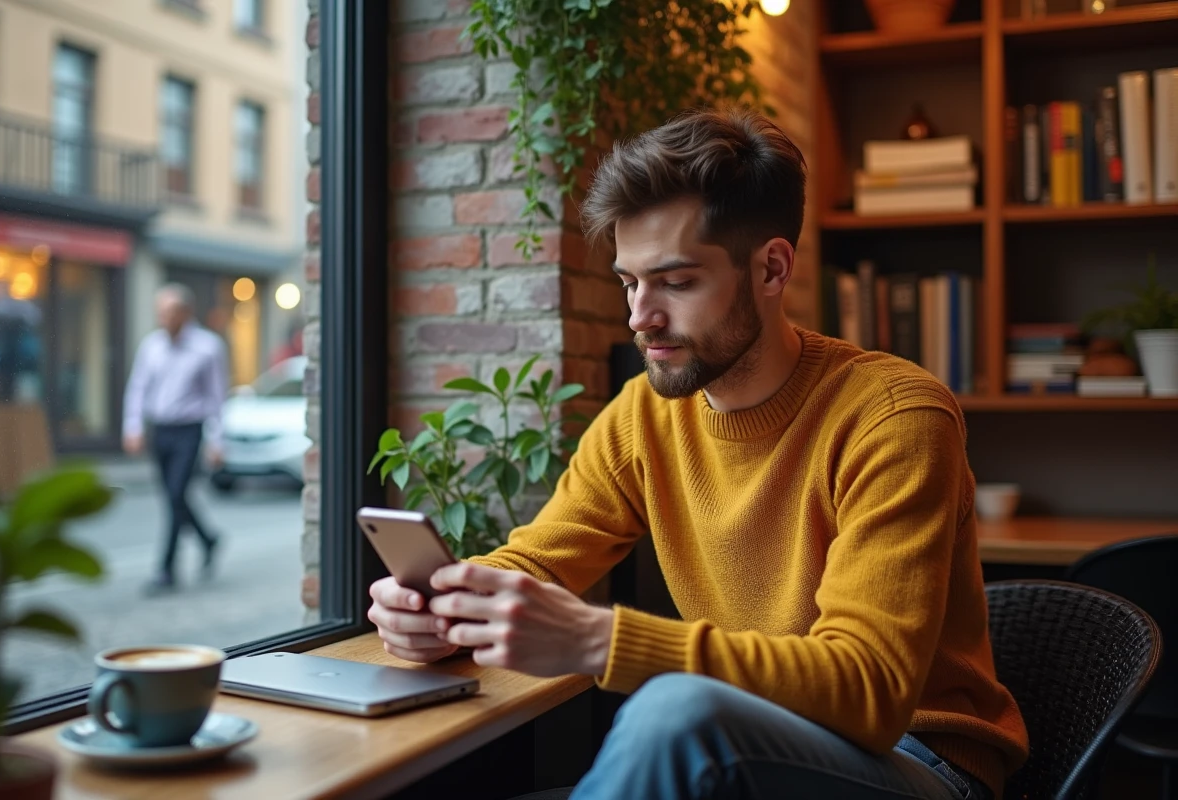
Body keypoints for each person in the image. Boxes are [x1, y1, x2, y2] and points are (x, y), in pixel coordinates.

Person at [368, 108, 1030, 800]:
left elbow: (868, 690)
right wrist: (444, 608)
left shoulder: (893, 415)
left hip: (918, 763)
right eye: (629, 281)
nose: (639, 316)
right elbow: (538, 560)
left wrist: (599, 641)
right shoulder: (644, 415)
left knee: (676, 713)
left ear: (771, 268)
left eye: (676, 283)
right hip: (741, 755)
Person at [123, 283, 227, 595]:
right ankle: (209, 539)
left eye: (169, 312)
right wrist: (133, 427)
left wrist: (217, 441)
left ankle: (166, 569)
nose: (163, 319)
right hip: (161, 431)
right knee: (173, 496)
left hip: (189, 430)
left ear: (186, 312)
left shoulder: (208, 347)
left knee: (175, 495)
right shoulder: (151, 346)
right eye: (160, 313)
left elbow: (216, 397)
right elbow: (138, 387)